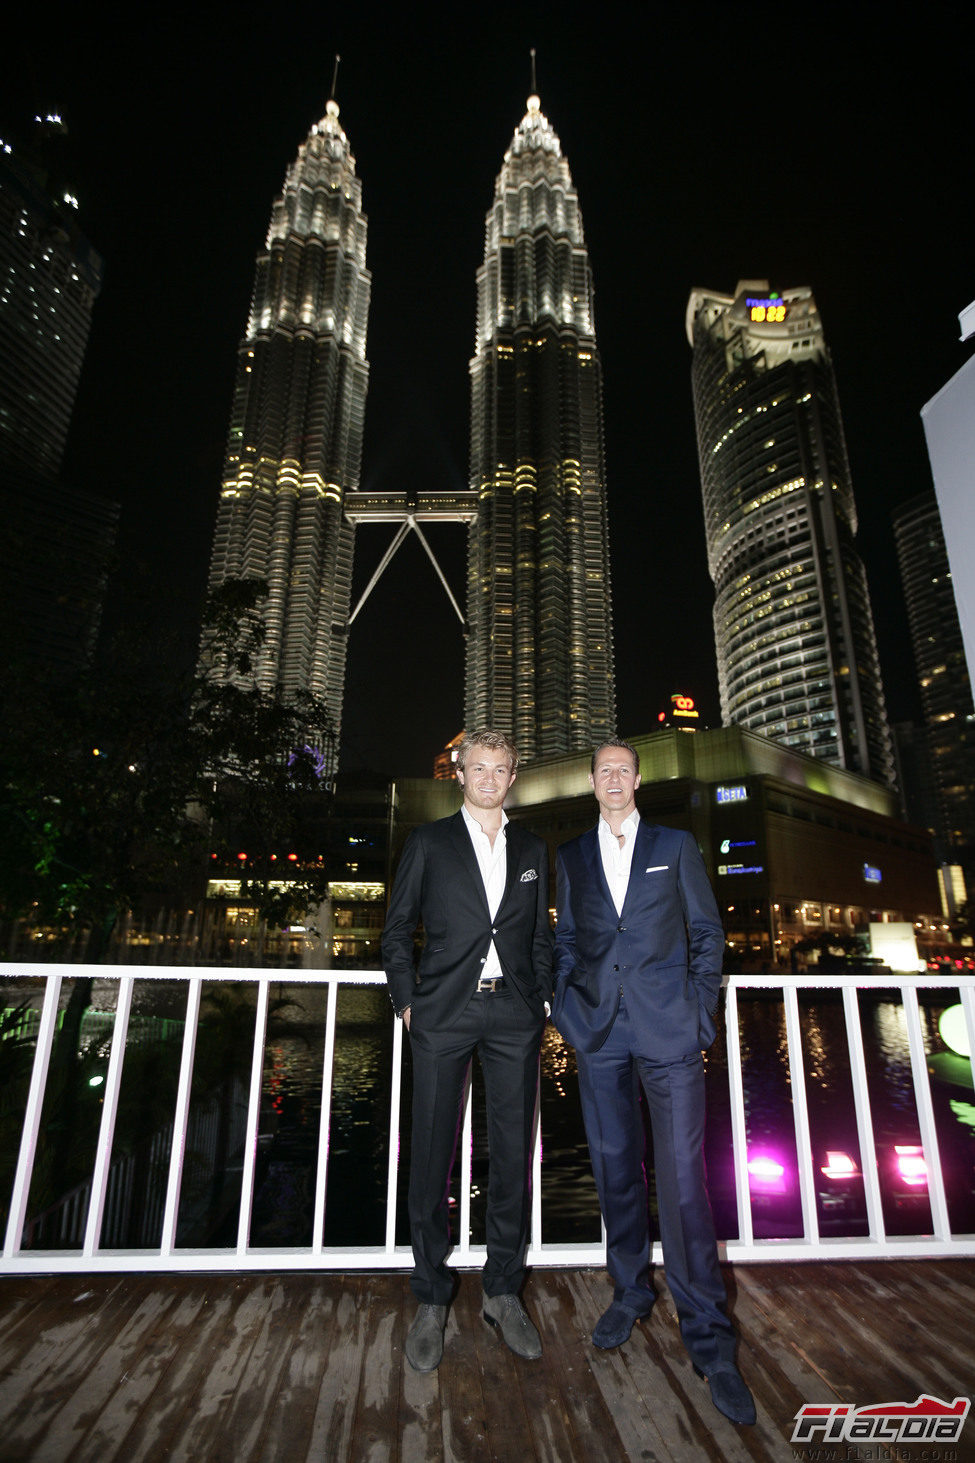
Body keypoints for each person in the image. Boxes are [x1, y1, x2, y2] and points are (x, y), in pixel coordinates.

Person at [553, 737, 755, 1426]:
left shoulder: (674, 843)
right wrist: (566, 1008)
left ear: (637, 779)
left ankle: (709, 1336)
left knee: (682, 1178)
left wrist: (700, 1010)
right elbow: (569, 941)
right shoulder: (571, 855)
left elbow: (706, 932)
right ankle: (629, 1291)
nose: (613, 777)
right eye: (603, 770)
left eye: (623, 769)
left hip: (669, 1030)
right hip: (598, 1033)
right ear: (592, 781)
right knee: (613, 1170)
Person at [382, 729, 552, 1373]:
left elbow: (540, 936)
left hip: (513, 1015)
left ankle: (503, 1291)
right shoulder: (428, 842)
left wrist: (541, 1002)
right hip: (442, 1015)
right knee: (429, 1153)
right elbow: (396, 931)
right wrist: (407, 1003)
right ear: (461, 774)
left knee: (512, 1154)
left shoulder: (534, 847)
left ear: (513, 777)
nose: (489, 777)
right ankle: (431, 1296)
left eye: (501, 768)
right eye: (478, 767)